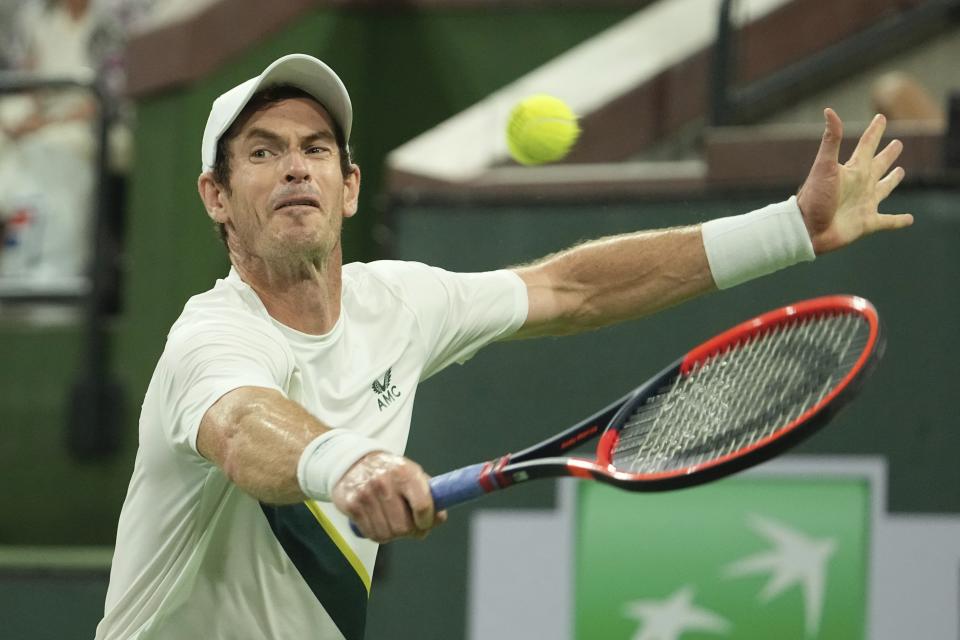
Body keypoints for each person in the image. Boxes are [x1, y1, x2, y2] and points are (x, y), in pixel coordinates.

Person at [95, 53, 912, 640]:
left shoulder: (399, 304)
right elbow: (242, 425)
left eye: (314, 149)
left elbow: (570, 287)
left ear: (348, 187)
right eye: (263, 152)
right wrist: (354, 465)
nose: (294, 169)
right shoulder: (211, 335)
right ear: (217, 195)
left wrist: (788, 230)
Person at [0, 0, 123, 287]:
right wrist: (31, 119)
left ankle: (56, 276)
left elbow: (109, 95)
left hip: (84, 121)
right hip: (43, 119)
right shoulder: (39, 21)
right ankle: (17, 265)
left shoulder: (107, 23)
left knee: (58, 149)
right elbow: (30, 80)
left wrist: (48, 123)